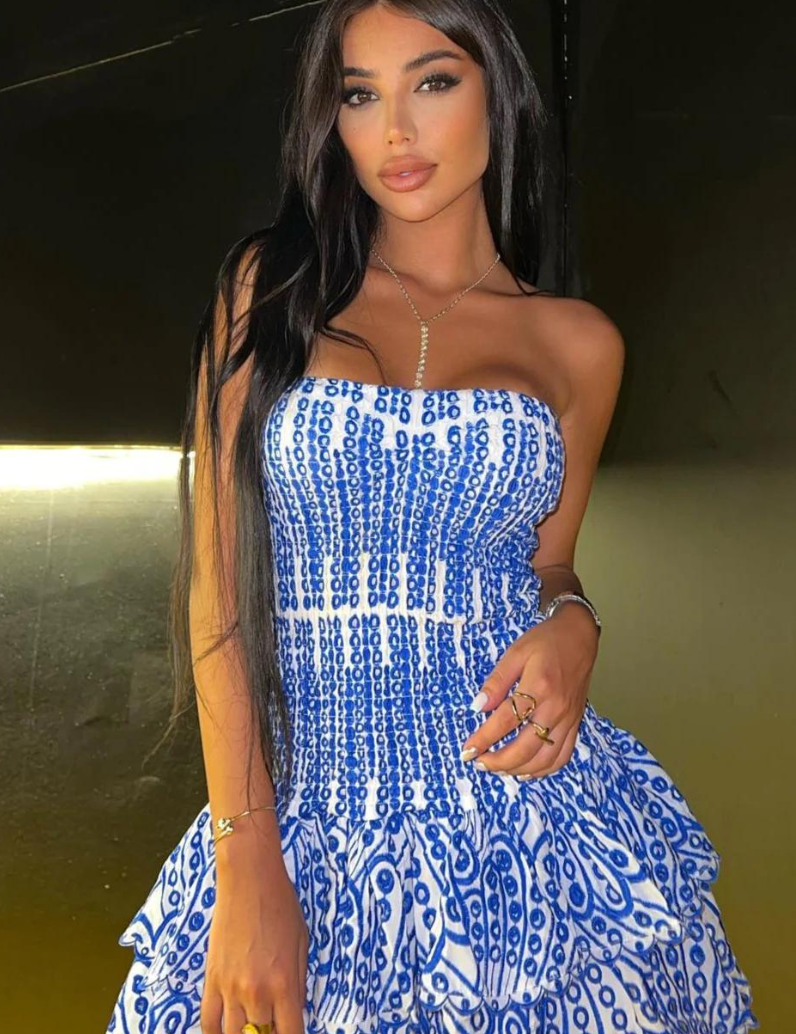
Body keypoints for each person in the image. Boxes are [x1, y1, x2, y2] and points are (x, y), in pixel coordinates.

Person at [106, 2, 758, 1032]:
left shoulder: (578, 345)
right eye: (360, 95)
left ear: (499, 90)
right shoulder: (268, 290)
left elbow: (551, 566)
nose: (396, 131)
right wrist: (248, 859)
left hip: (527, 839)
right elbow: (219, 593)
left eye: (433, 81)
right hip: (304, 820)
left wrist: (577, 624)